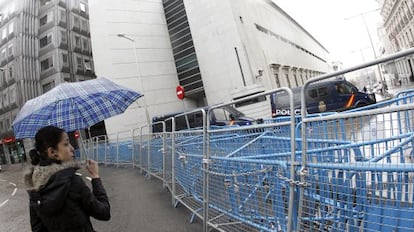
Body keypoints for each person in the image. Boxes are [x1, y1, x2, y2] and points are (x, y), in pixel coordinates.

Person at [24, 126, 110, 232]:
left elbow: (37, 228)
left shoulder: (34, 187)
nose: (72, 148)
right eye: (66, 144)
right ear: (52, 152)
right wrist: (95, 177)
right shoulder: (72, 182)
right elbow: (104, 212)